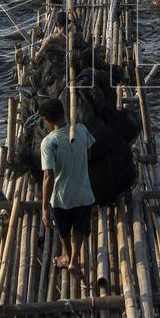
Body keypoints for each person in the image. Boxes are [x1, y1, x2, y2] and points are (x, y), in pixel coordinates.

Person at [38, 97, 95, 276]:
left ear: (47, 120)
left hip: (61, 198)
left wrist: (44, 208)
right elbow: (89, 155)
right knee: (79, 229)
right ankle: (75, 260)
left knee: (64, 231)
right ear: (63, 113)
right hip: (83, 194)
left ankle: (68, 258)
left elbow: (48, 176)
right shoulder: (81, 130)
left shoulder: (49, 142)